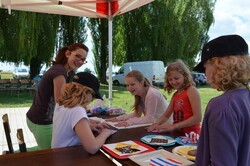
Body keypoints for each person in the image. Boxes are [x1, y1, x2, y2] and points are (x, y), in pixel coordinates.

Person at [193, 34, 250, 166]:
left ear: (219, 64)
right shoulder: (245, 96)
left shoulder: (222, 107)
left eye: (206, 66)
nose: (205, 73)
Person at [26, 43, 89, 150]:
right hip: (41, 122)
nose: (80, 61)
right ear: (68, 53)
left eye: (83, 59)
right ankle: (10, 157)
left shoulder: (64, 71)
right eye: (78, 56)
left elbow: (67, 99)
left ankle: (10, 154)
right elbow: (61, 103)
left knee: (47, 150)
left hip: (39, 119)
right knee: (52, 155)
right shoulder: (59, 72)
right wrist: (83, 121)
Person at [52, 72, 116, 154]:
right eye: (93, 96)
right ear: (85, 92)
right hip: (69, 158)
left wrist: (88, 126)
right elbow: (92, 148)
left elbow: (66, 126)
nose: (92, 100)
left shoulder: (61, 104)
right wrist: (105, 133)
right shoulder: (78, 110)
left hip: (57, 155)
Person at [146, 59, 202, 134]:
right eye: (170, 79)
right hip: (178, 134)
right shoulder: (175, 95)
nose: (173, 82)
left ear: (185, 76)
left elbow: (197, 117)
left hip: (192, 136)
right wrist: (156, 124)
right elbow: (166, 116)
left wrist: (174, 126)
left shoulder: (191, 91)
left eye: (176, 78)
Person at [106, 70, 173, 127]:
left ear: (141, 83)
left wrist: (129, 122)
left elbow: (149, 118)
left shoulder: (152, 94)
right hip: (156, 126)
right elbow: (137, 114)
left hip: (166, 126)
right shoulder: (139, 94)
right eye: (127, 85)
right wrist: (118, 119)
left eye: (132, 84)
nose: (129, 88)